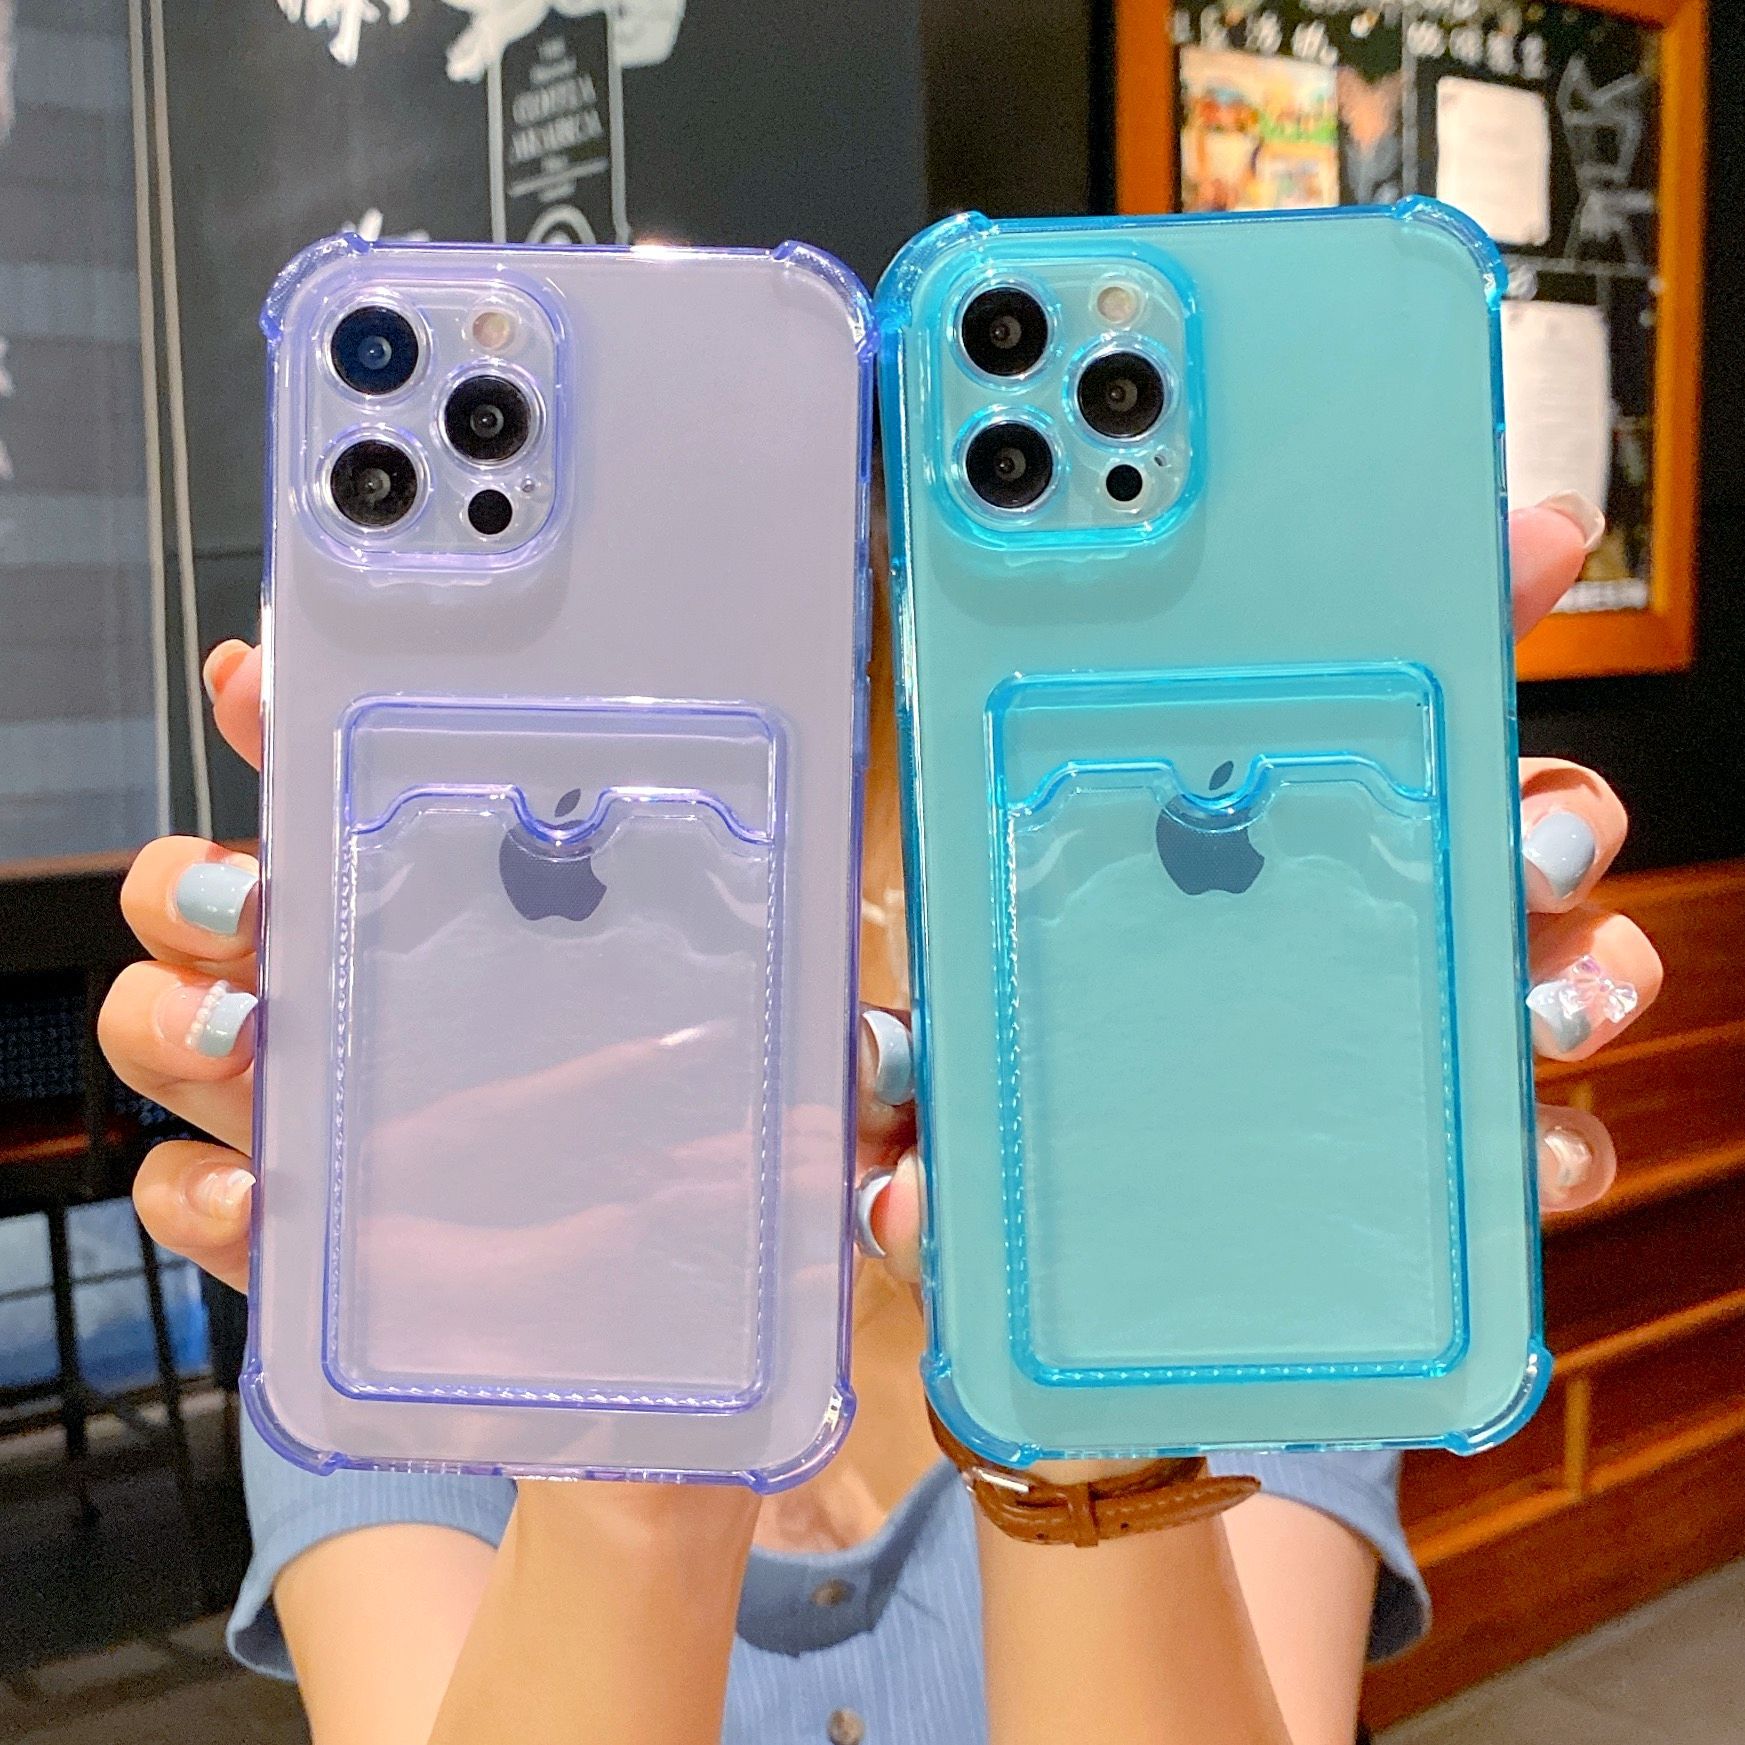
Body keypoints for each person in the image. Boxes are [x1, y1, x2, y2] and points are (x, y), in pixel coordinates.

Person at [99, 491, 1659, 1745]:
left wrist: (1081, 1350)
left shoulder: (1232, 1213)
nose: (827, 944)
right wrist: (639, 1394)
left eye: (888, 822)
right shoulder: (405, 1290)